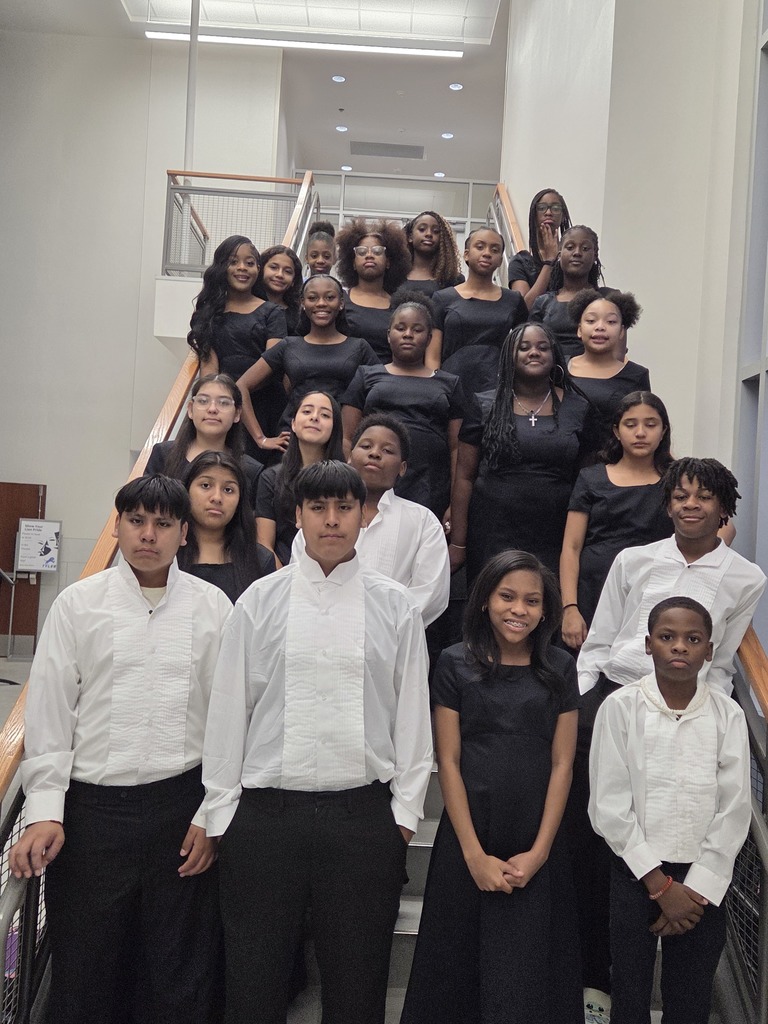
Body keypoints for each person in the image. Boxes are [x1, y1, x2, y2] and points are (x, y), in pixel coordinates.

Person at [203, 460, 433, 1024]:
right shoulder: (260, 599)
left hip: (361, 819)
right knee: (254, 986)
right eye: (318, 508)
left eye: (344, 508)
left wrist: (403, 813)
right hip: (264, 819)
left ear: (362, 514)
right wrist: (223, 813)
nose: (332, 520)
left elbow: (412, 717)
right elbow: (230, 710)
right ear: (298, 516)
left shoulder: (395, 605)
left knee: (357, 988)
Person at [9, 475, 232, 1024]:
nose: (148, 535)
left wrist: (212, 815)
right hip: (91, 814)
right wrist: (44, 811)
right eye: (136, 521)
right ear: (119, 526)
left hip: (180, 811)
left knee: (177, 970)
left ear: (184, 532)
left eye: (162, 524)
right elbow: (51, 714)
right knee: (85, 968)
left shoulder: (213, 607)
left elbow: (231, 722)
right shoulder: (77, 605)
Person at [571, 457, 765, 1011]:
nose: (689, 505)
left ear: (724, 506)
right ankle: (598, 991)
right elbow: (602, 636)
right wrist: (591, 699)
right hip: (618, 703)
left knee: (689, 987)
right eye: (679, 495)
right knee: (600, 854)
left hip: (695, 712)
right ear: (667, 503)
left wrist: (697, 885)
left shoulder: (746, 577)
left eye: (703, 496)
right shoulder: (633, 560)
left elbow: (723, 660)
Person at [400, 550, 582, 1024]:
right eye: (507, 596)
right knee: (455, 972)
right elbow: (450, 760)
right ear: (484, 600)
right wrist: (474, 855)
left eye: (532, 600)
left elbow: (563, 763)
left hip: (535, 837)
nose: (519, 609)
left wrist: (540, 852)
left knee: (530, 974)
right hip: (469, 837)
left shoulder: (560, 667)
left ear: (546, 610)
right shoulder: (454, 662)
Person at [589, 597, 751, 1024]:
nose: (680, 646)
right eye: (667, 637)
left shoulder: (727, 715)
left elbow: (734, 807)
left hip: (704, 884)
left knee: (690, 997)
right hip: (635, 873)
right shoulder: (620, 708)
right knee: (629, 990)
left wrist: (694, 892)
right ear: (648, 645)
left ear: (710, 651)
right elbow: (608, 804)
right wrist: (661, 887)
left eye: (693, 639)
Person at [449, 322, 592, 583]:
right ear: (508, 358)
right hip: (493, 527)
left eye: (542, 347)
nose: (533, 352)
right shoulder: (484, 404)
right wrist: (459, 543)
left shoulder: (578, 407)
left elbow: (587, 480)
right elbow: (464, 477)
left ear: (555, 356)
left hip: (555, 527)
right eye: (523, 347)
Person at [294, 414, 450, 627]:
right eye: (366, 446)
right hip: (320, 630)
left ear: (402, 467)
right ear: (349, 456)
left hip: (391, 640)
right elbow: (301, 578)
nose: (375, 453)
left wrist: (382, 628)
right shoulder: (320, 517)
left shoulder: (423, 522)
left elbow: (431, 593)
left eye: (387, 450)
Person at [560, 391, 673, 649]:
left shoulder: (677, 479)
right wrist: (569, 608)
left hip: (654, 594)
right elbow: (571, 548)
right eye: (630, 424)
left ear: (664, 430)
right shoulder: (591, 478)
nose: (641, 432)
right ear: (616, 431)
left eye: (651, 424)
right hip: (593, 593)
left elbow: (723, 528)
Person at [341, 292, 466, 519]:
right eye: (400, 328)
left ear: (429, 339)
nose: (408, 335)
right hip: (372, 484)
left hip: (430, 485)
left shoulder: (450, 383)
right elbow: (348, 437)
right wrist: (353, 483)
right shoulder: (366, 375)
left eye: (417, 330)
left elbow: (457, 448)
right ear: (389, 335)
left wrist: (453, 503)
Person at [236, 275, 378, 453]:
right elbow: (241, 386)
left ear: (341, 303)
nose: (321, 303)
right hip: (293, 441)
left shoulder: (359, 347)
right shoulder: (289, 345)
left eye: (329, 297)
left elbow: (381, 392)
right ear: (303, 303)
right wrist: (261, 438)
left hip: (340, 442)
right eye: (312, 298)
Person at [186, 235, 288, 459]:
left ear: (258, 270)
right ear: (222, 267)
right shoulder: (208, 315)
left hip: (266, 407)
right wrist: (218, 403)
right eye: (234, 261)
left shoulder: (273, 313)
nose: (242, 268)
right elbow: (209, 372)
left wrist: (257, 433)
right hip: (224, 408)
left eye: (250, 263)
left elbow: (272, 364)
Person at [429, 227, 527, 395]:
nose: (487, 253)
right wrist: (435, 387)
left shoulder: (513, 300)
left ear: (500, 261)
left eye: (494, 250)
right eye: (480, 247)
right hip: (451, 386)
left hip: (497, 388)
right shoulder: (442, 298)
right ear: (466, 254)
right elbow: (432, 356)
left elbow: (523, 346)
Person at [145, 372, 264, 509]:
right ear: (190, 410)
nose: (212, 409)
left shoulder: (250, 469)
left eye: (223, 403)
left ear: (237, 414)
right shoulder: (163, 453)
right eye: (203, 401)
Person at [255, 390, 345, 566]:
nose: (315, 417)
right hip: (282, 574)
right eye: (307, 411)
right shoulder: (270, 478)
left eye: (325, 415)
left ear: (335, 427)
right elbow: (264, 544)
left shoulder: (346, 480)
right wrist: (285, 579)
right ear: (294, 424)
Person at [178, 450, 276, 603]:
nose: (217, 497)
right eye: (205, 485)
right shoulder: (167, 553)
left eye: (228, 490)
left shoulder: (260, 560)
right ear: (187, 490)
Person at [566, 288, 650, 452]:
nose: (600, 327)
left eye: (611, 322)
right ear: (579, 329)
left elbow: (644, 425)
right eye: (591, 321)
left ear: (621, 331)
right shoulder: (559, 368)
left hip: (610, 467)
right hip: (562, 467)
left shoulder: (637, 375)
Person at [335, 217, 411, 361]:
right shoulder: (340, 301)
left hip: (386, 380)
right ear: (352, 263)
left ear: (388, 262)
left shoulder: (400, 306)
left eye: (377, 251)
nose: (369, 255)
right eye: (362, 252)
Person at [530, 226, 604, 361]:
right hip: (550, 376)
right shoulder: (543, 302)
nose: (577, 253)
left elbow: (617, 352)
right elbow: (532, 347)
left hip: (594, 375)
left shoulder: (607, 300)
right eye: (570, 247)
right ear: (559, 255)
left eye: (585, 248)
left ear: (595, 255)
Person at [508, 188, 573, 309]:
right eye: (542, 208)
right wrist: (549, 262)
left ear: (563, 216)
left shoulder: (572, 257)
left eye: (555, 208)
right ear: (534, 215)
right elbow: (524, 307)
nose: (548, 212)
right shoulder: (520, 261)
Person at [404, 210, 463, 296]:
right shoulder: (395, 275)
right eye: (422, 229)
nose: (429, 234)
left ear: (442, 240)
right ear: (410, 237)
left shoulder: (453, 279)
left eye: (435, 231)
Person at [254, 244, 303, 335]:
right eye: (273, 267)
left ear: (294, 280)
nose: (280, 275)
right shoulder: (247, 306)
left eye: (287, 271)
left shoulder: (298, 316)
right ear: (261, 269)